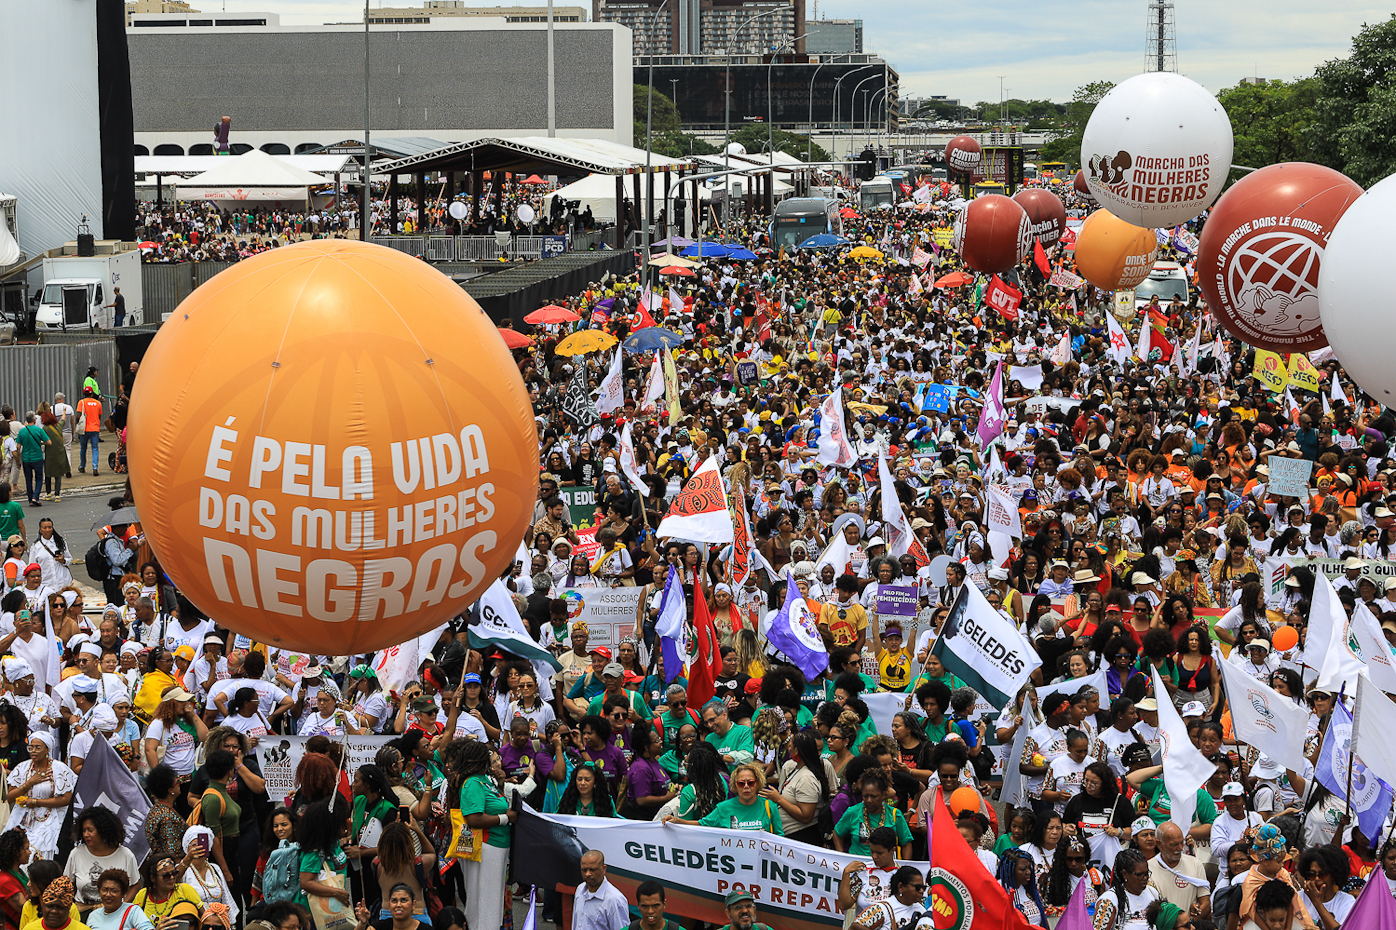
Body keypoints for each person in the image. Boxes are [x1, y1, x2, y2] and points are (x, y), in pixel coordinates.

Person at [4, 732, 75, 860]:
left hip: (49, 819)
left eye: (38, 747)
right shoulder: (22, 768)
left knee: (41, 850)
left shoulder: (59, 768)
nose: (33, 751)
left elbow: (66, 799)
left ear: (47, 749)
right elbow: (9, 798)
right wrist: (30, 783)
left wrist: (37, 802)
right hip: (23, 819)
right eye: (31, 747)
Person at [64, 808, 140, 917]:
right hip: (82, 914)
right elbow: (66, 884)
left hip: (115, 915)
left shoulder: (125, 854)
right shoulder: (76, 853)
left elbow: (135, 884)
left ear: (103, 830)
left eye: (90, 830)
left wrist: (122, 907)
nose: (86, 834)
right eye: (83, 830)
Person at [1148, 821, 1210, 921]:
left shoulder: (1195, 864)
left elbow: (1206, 905)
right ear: (1159, 844)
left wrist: (1187, 924)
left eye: (1182, 842)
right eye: (1174, 844)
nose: (1180, 848)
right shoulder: (1148, 869)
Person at [848, 867, 924, 930]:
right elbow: (854, 927)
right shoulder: (881, 908)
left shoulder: (924, 908)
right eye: (917, 887)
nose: (921, 891)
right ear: (900, 887)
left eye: (923, 887)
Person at [572, 851, 628, 930]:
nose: (587, 874)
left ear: (604, 869)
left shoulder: (614, 900)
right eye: (584, 870)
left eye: (592, 870)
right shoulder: (580, 890)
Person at [82, 872, 152, 930]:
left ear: (123, 893)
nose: (108, 895)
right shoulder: (93, 915)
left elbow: (147, 928)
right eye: (104, 890)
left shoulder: (133, 911)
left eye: (114, 891)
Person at [348, 886, 430, 930]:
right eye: (394, 901)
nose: (398, 905)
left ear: (413, 905)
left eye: (403, 900)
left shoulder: (425, 928)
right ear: (389, 905)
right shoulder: (380, 926)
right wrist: (362, 923)